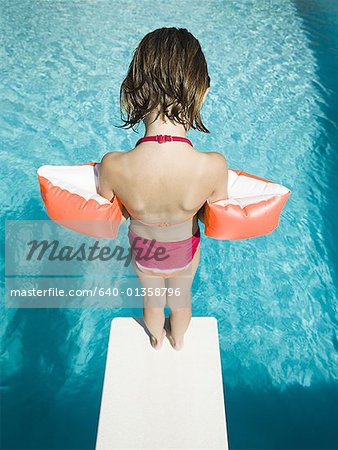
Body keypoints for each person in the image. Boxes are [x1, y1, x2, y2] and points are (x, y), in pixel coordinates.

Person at [98, 27, 228, 351]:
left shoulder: (115, 165)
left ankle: (155, 340)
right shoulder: (211, 166)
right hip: (184, 251)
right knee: (180, 302)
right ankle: (178, 340)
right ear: (202, 92)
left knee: (152, 303)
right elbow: (217, 215)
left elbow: (106, 209)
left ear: (132, 89)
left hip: (145, 253)